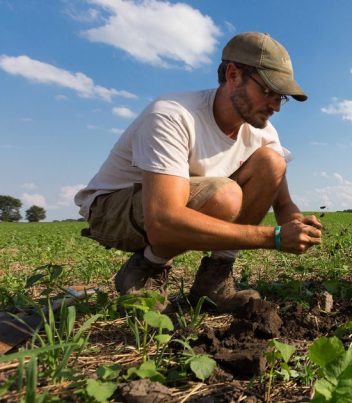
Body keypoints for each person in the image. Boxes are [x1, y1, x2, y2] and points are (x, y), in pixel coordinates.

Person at [74, 32, 322, 312]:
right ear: (233, 75)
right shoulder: (173, 114)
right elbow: (164, 220)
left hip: (172, 207)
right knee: (225, 196)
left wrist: (300, 227)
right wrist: (273, 238)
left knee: (272, 163)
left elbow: (284, 204)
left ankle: (214, 281)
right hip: (113, 210)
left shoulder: (262, 132)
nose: (276, 106)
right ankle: (145, 271)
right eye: (267, 91)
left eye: (282, 98)